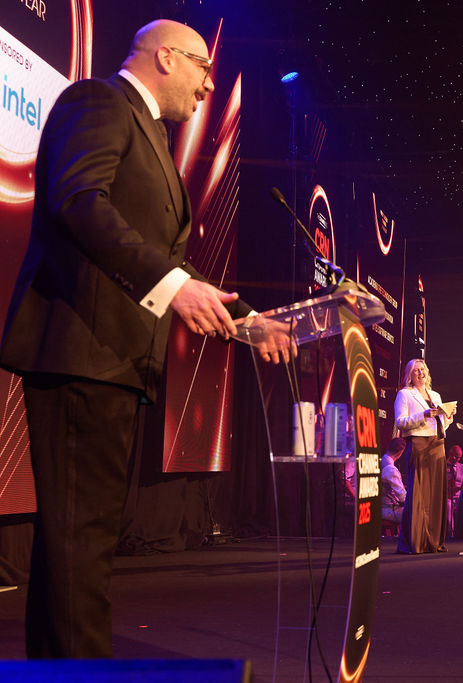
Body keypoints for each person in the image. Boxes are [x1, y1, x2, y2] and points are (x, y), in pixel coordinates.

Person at [0, 20, 292, 658]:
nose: (208, 86)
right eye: (202, 69)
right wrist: (172, 287)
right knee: (80, 544)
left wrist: (247, 320)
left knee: (80, 546)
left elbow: (171, 263)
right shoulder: (98, 102)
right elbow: (79, 202)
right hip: (82, 353)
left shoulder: (151, 135)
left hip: (116, 363)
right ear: (164, 57)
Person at [393, 358, 454, 553]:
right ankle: (416, 541)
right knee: (419, 494)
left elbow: (440, 424)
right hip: (419, 444)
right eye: (416, 370)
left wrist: (448, 417)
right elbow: (400, 422)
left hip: (438, 444)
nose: (421, 373)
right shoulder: (405, 394)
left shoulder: (435, 395)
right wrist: (424, 415)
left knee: (435, 495)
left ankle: (433, 541)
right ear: (409, 375)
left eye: (423, 369)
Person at [446, 444, 463, 535]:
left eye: (459, 457)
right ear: (450, 453)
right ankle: (451, 532)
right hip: (446, 497)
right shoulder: (441, 466)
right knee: (448, 505)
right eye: (455, 456)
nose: (456, 459)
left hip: (459, 498)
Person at [381, 437, 407, 524]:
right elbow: (402, 498)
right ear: (400, 453)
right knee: (419, 513)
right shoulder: (391, 470)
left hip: (379, 506)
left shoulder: (380, 461)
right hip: (388, 509)